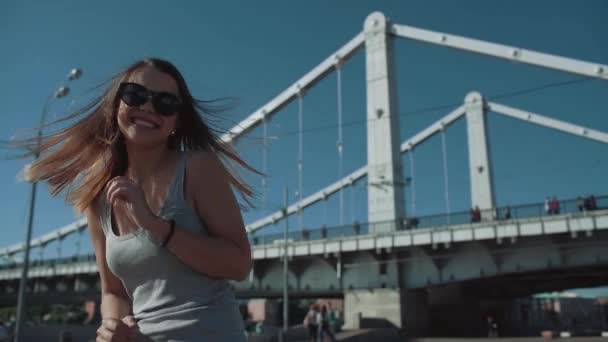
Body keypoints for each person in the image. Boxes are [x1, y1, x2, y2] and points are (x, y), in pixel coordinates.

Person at [16, 58, 255, 341]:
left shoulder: (197, 167)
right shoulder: (99, 198)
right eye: (135, 95)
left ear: (177, 120)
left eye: (165, 102)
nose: (147, 107)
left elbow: (239, 265)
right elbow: (113, 291)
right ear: (117, 104)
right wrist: (112, 325)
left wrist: (156, 227)